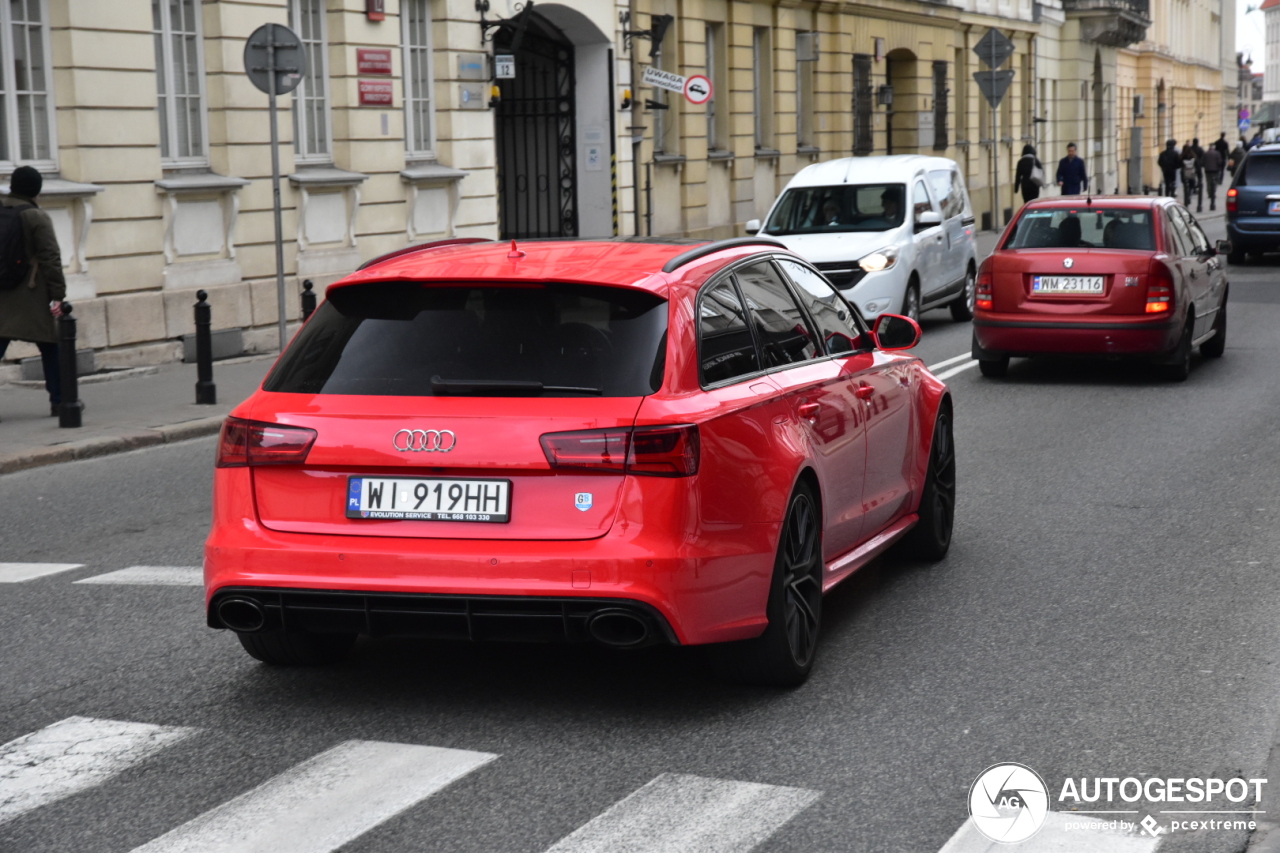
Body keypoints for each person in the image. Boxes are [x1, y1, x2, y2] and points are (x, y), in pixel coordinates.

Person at [0, 166, 66, 418]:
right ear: (37, 189)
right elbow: (51, 258)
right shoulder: (36, 217)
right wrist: (58, 294)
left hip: (1, 291)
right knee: (51, 345)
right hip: (30, 293)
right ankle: (61, 401)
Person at [1201, 144, 1223, 211]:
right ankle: (1213, 193)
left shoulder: (1206, 153)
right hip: (1215, 170)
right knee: (1214, 182)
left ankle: (1209, 193)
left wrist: (1205, 166)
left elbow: (1202, 162)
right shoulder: (1217, 153)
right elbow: (1220, 162)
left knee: (1208, 182)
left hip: (1207, 170)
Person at [1180, 144, 1199, 208]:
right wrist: (1199, 174)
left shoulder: (1182, 156)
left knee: (1185, 186)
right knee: (1191, 186)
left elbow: (1178, 164)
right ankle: (1189, 196)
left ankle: (1186, 197)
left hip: (1184, 173)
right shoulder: (1193, 156)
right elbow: (1197, 165)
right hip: (1191, 173)